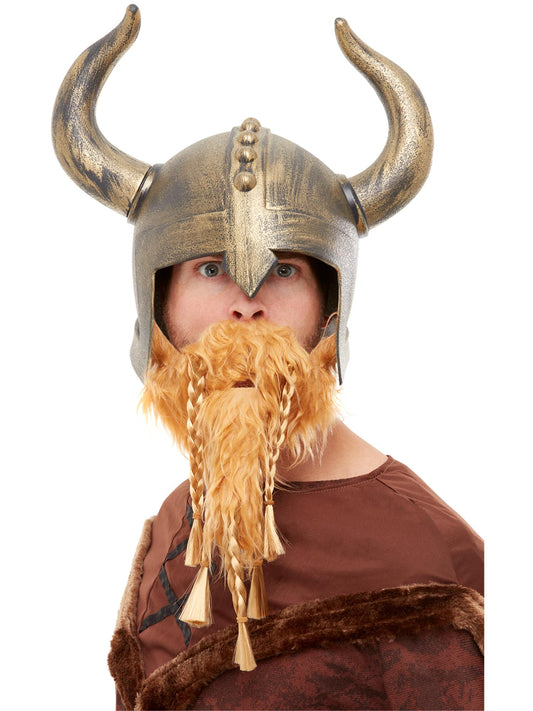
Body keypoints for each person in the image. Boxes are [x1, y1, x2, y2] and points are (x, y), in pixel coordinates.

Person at [52, 5, 484, 710]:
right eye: (210, 268)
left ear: (329, 309)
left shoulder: (428, 556)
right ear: (157, 306)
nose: (245, 306)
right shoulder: (176, 521)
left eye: (283, 270)